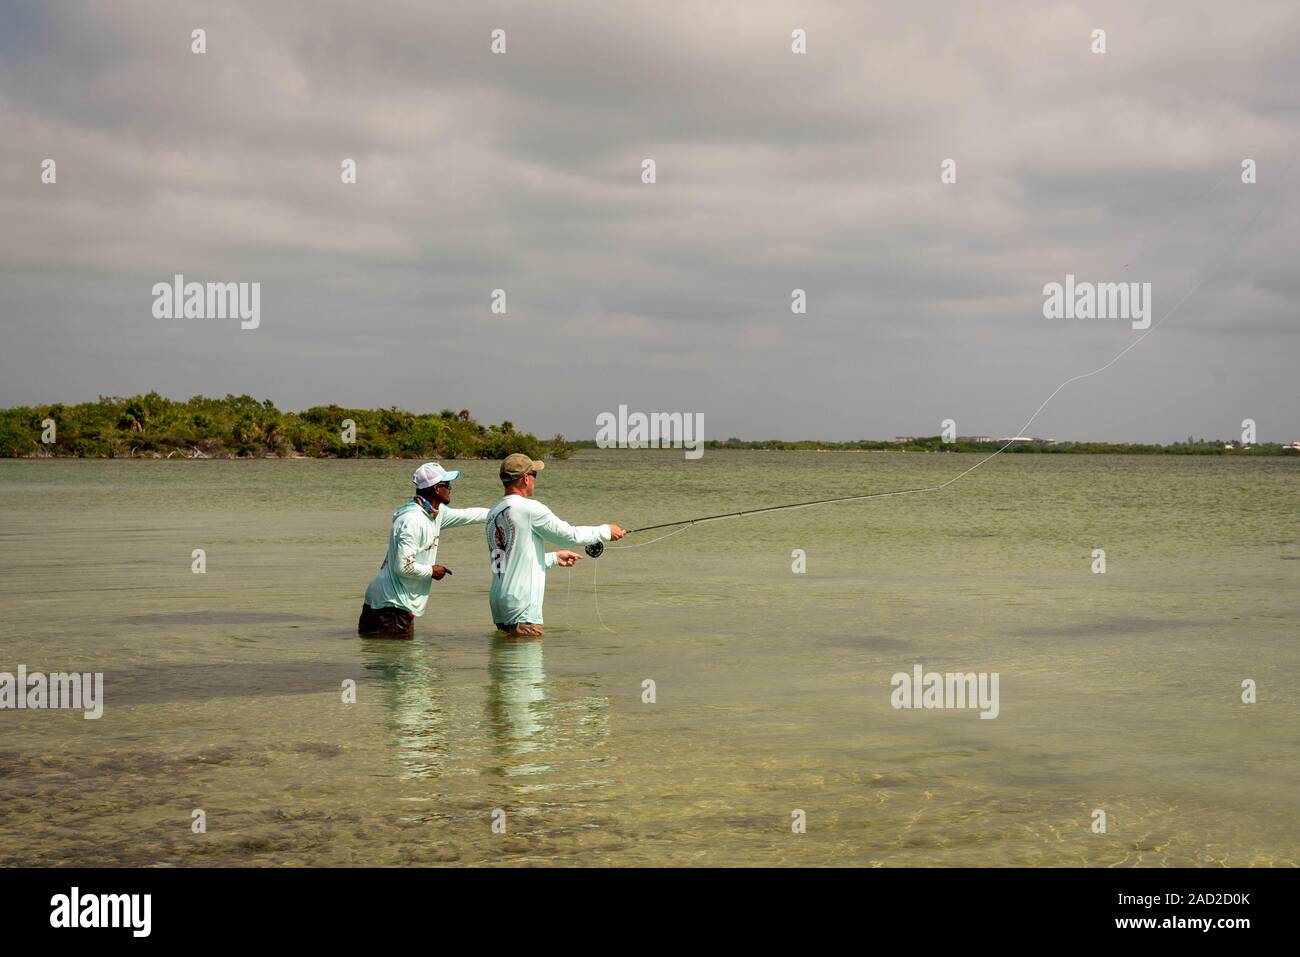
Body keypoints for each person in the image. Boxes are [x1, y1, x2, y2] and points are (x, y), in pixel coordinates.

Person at [486, 453, 624, 638]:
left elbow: (504, 561)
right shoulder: (529, 509)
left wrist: (552, 558)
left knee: (504, 666)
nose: (535, 480)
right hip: (522, 607)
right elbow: (568, 535)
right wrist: (606, 531)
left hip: (499, 604)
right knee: (527, 666)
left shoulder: (493, 513)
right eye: (535, 475)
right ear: (526, 478)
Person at [358, 462, 489, 639]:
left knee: (384, 660)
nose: (451, 489)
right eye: (448, 485)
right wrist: (432, 571)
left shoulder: (434, 512)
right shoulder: (413, 520)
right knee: (403, 663)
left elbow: (468, 515)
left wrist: (502, 511)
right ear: (437, 489)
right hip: (390, 607)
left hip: (388, 603)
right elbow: (403, 567)